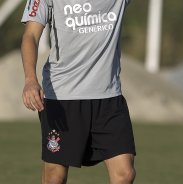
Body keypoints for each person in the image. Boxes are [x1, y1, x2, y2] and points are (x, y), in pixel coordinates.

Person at [20, 0, 136, 183]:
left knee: (125, 174)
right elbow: (30, 36)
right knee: (54, 177)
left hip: (108, 97)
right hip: (62, 97)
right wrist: (30, 80)